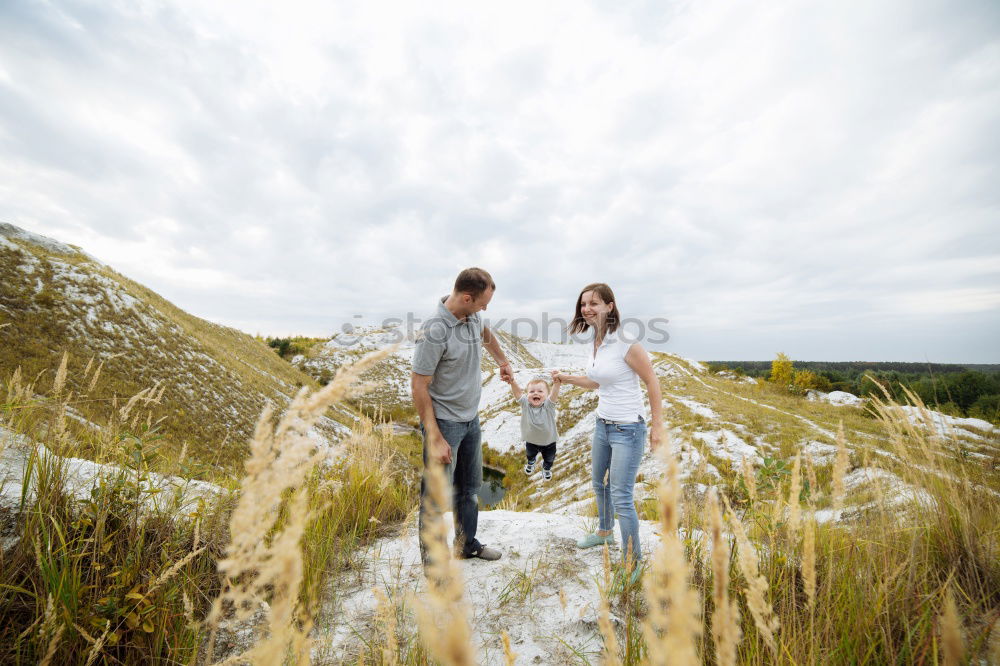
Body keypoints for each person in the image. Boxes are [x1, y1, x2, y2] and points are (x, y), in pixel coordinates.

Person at [551, 283, 663, 575]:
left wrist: (657, 426)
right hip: (603, 424)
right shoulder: (596, 342)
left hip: (629, 429)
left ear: (610, 307)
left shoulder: (626, 342)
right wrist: (566, 378)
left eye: (594, 304)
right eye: (583, 304)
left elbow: (652, 382)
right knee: (598, 483)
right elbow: (597, 382)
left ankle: (633, 561)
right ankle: (604, 532)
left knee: (621, 496)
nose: (586, 309)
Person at [412, 267, 512, 563]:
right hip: (444, 424)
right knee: (435, 498)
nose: (485, 309)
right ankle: (434, 565)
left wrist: (502, 360)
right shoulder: (434, 331)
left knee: (468, 489)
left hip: (471, 420)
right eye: (483, 303)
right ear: (467, 297)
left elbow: (485, 333)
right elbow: (419, 385)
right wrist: (435, 437)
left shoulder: (472, 316)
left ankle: (466, 545)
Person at [502, 375, 561, 481]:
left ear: (547, 395)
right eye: (531, 391)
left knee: (549, 459)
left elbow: (554, 396)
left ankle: (546, 469)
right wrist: (512, 381)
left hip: (549, 443)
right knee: (530, 454)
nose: (535, 393)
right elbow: (518, 394)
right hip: (531, 441)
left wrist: (556, 384)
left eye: (540, 391)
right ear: (527, 395)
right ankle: (531, 463)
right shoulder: (526, 405)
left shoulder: (548, 406)